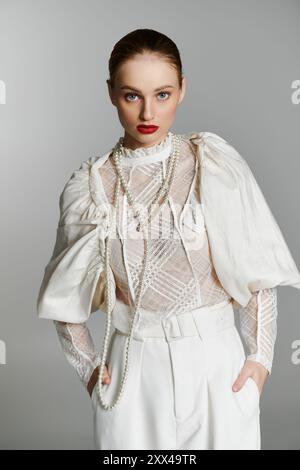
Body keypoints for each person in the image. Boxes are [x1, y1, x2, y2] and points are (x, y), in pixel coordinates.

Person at [36, 28, 300, 450]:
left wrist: (260, 360)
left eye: (162, 94)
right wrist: (89, 369)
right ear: (111, 93)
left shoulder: (211, 162)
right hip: (132, 371)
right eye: (131, 95)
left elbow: (256, 274)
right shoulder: (91, 185)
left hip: (216, 366)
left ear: (182, 90)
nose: (147, 112)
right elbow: (64, 300)